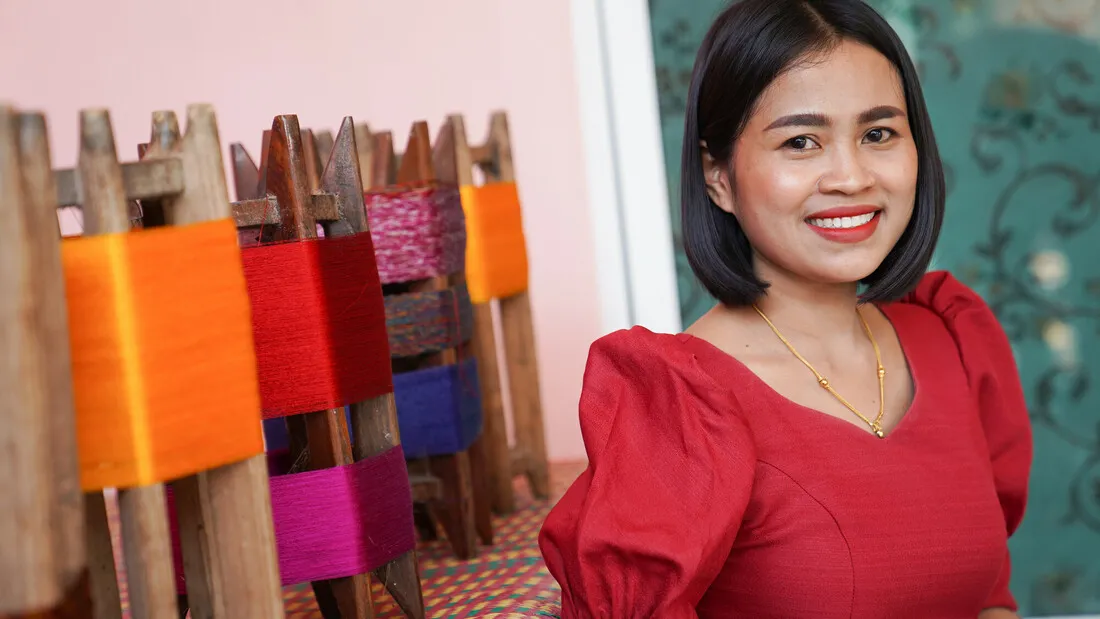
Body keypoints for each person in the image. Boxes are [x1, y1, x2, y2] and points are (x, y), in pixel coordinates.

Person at [538, 0, 1033, 617]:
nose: (851, 177)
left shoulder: (950, 337)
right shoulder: (681, 407)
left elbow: (988, 595)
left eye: (878, 133)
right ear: (718, 174)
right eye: (801, 142)